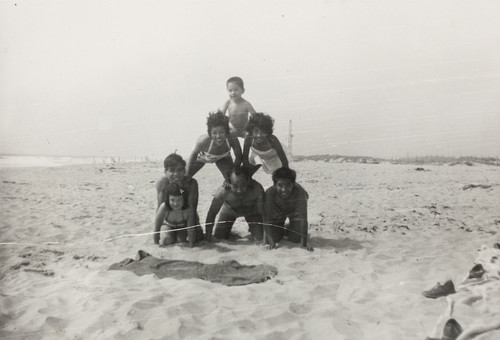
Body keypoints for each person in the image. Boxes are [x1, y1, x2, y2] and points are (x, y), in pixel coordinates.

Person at [205, 166, 265, 242]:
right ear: (228, 183)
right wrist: (208, 236)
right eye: (235, 186)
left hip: (252, 211)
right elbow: (212, 213)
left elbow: (263, 213)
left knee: (260, 238)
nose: (239, 190)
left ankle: (253, 228)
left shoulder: (256, 188)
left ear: (248, 181)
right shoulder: (223, 192)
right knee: (220, 237)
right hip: (230, 210)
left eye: (243, 185)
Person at [263, 167, 313, 251]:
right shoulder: (270, 193)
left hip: (294, 211)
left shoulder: (300, 193)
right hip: (277, 211)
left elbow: (303, 219)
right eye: (280, 185)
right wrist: (270, 243)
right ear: (274, 185)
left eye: (288, 185)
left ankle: (290, 227)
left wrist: (303, 244)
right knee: (273, 238)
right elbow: (266, 219)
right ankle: (282, 228)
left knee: (296, 239)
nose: (284, 189)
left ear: (293, 184)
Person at [186, 111, 243, 181]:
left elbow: (239, 157)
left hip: (223, 158)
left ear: (227, 132)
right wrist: (187, 174)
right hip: (202, 157)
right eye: (214, 133)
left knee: (232, 180)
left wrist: (232, 174)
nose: (218, 136)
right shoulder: (203, 140)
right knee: (184, 178)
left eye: (222, 132)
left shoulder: (232, 137)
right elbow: (193, 155)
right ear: (209, 133)